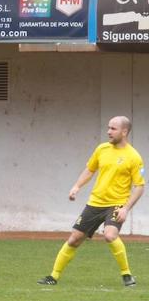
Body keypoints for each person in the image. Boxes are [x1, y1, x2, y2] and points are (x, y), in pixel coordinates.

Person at [38, 116, 144, 287]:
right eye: (108, 127)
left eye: (113, 129)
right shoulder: (101, 149)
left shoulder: (133, 156)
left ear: (124, 132)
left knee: (110, 235)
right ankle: (53, 276)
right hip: (95, 203)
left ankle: (126, 274)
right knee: (74, 239)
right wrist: (76, 186)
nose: (109, 131)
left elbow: (139, 187)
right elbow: (90, 170)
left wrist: (126, 208)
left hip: (117, 203)